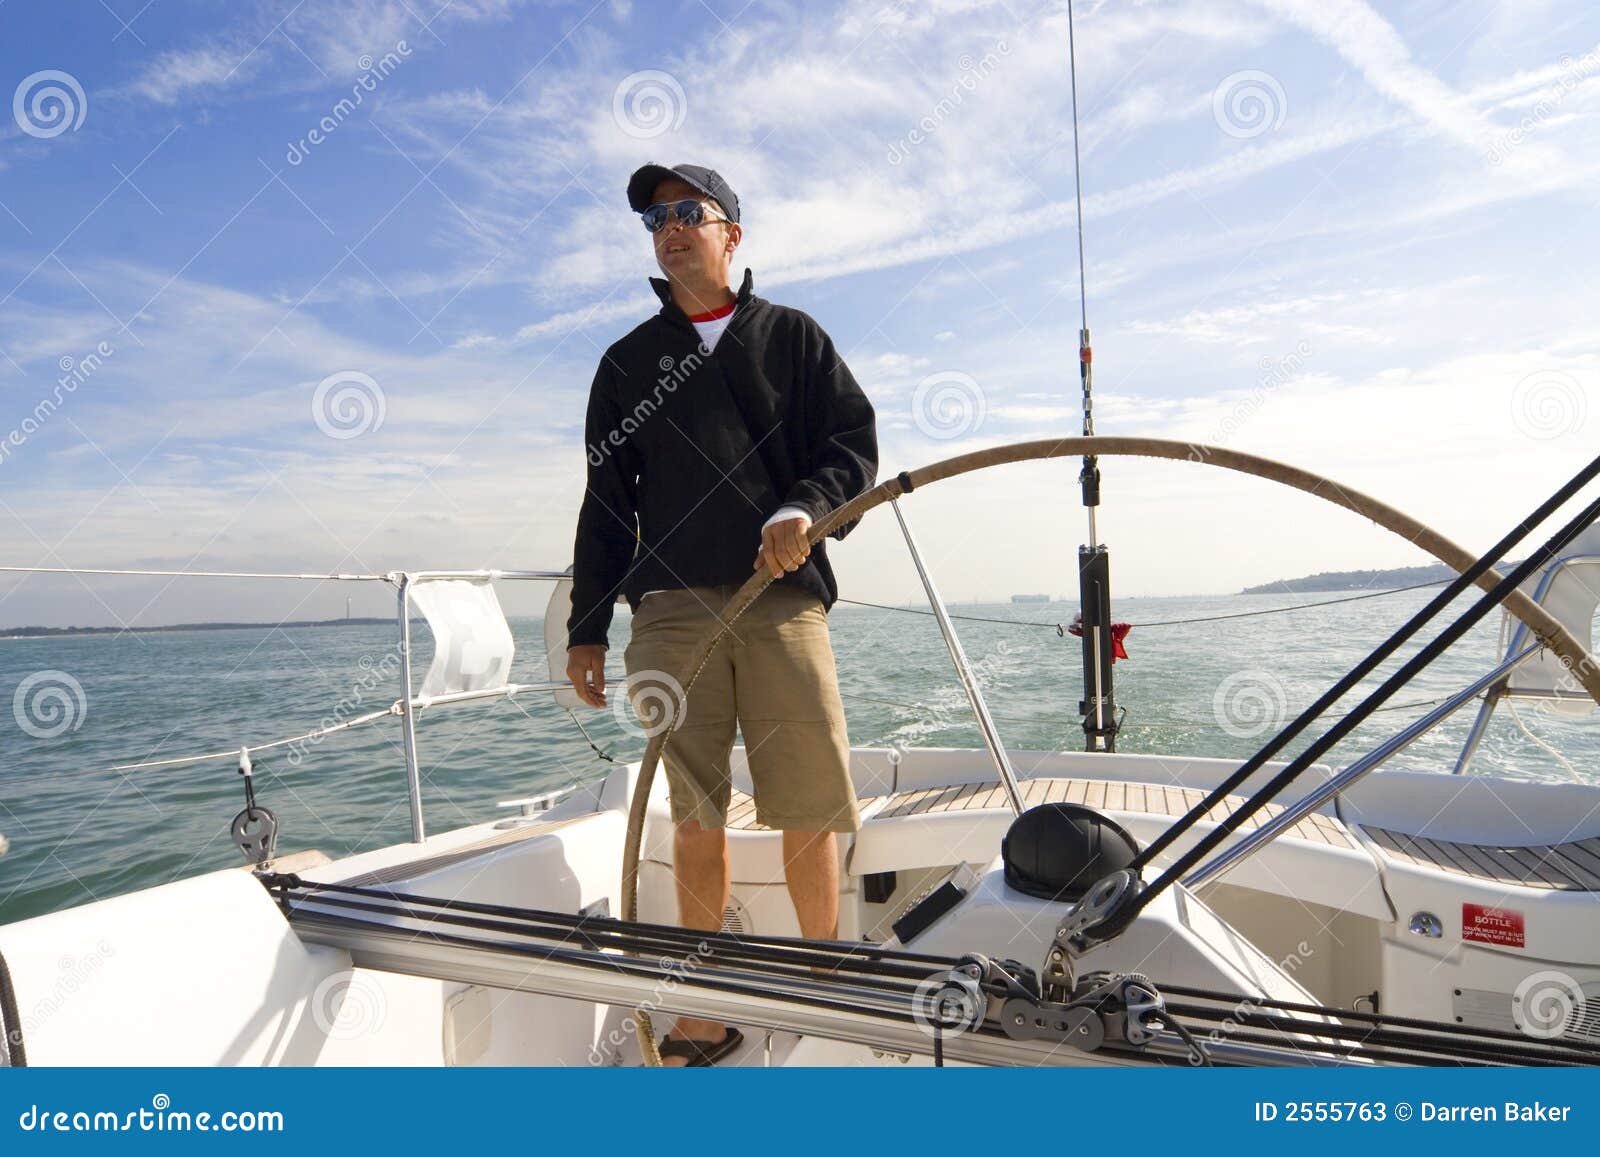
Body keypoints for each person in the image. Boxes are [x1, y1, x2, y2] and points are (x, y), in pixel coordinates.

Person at [565, 162, 877, 1066]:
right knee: (695, 816)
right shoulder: (626, 363)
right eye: (655, 217)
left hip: (781, 601)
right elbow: (605, 500)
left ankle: (828, 992)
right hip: (668, 613)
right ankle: (700, 1010)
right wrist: (589, 623)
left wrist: (802, 508)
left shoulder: (795, 339)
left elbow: (852, 448)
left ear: (731, 233)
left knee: (810, 807)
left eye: (687, 212)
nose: (669, 226)